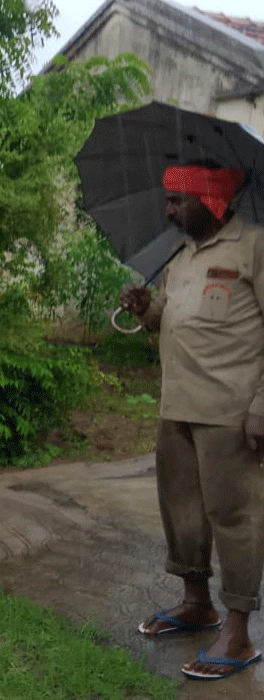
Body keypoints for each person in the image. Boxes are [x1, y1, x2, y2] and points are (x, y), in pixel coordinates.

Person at [118, 162, 264, 681]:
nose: (169, 209)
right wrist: (145, 311)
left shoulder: (253, 245)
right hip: (175, 404)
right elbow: (175, 320)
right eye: (168, 198)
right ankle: (196, 603)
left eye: (179, 200)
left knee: (235, 516)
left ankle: (239, 630)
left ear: (212, 201)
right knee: (182, 510)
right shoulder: (180, 254)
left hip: (231, 412)